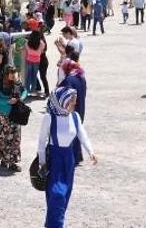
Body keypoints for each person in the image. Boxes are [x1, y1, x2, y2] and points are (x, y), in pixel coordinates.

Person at [37, 86, 97, 228]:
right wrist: (42, 162)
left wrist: (91, 152)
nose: (75, 104)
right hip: (54, 162)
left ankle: (54, 223)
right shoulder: (49, 117)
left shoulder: (75, 117)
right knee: (57, 195)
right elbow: (41, 142)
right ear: (63, 100)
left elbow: (82, 135)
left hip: (69, 161)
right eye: (72, 101)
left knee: (65, 196)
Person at [0, 67, 27, 172]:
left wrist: (21, 98)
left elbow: (24, 91)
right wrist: (7, 101)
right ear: (6, 74)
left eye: (14, 73)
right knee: (3, 139)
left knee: (15, 139)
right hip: (2, 115)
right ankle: (4, 160)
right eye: (11, 73)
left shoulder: (17, 83)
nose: (13, 75)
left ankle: (12, 162)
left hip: (15, 115)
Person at [58, 57, 87, 165]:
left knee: (69, 133)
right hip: (81, 107)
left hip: (71, 109)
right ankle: (77, 156)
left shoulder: (68, 80)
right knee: (77, 130)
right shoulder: (81, 77)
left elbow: (65, 96)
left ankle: (72, 156)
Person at [25, 30, 46, 96]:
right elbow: (42, 51)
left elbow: (27, 50)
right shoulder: (41, 43)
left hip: (29, 60)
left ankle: (27, 90)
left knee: (28, 76)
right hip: (37, 60)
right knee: (34, 76)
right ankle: (33, 90)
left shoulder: (28, 42)